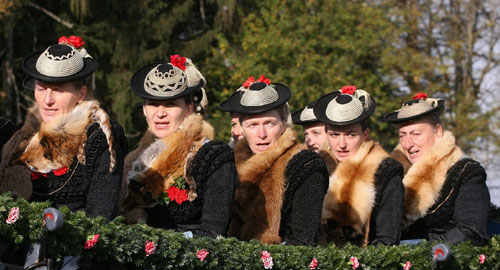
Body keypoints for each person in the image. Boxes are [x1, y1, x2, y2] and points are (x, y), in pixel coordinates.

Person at [0, 36, 126, 221]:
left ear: (81, 94)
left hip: (74, 245)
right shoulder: (18, 136)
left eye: (58, 90)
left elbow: (100, 218)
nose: (47, 100)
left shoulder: (101, 138)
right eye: (41, 89)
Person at [118, 55, 236, 239]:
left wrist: (158, 245)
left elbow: (213, 232)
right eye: (153, 104)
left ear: (189, 109)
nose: (160, 113)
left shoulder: (213, 156)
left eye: (170, 104)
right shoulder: (134, 161)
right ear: (144, 109)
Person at [227, 76, 329, 245]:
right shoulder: (231, 163)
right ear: (242, 128)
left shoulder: (306, 164)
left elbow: (301, 242)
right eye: (253, 125)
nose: (261, 134)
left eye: (270, 124)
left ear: (283, 124)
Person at [384, 93, 490, 245]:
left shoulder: (466, 173)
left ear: (437, 132)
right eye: (403, 135)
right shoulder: (391, 174)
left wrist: (411, 250)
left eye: (415, 134)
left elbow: (470, 232)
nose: (408, 144)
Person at [313, 85, 404, 246]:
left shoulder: (385, 172)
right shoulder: (317, 169)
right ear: (326, 134)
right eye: (334, 135)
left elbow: (387, 240)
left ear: (365, 134)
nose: (341, 144)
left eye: (351, 134)